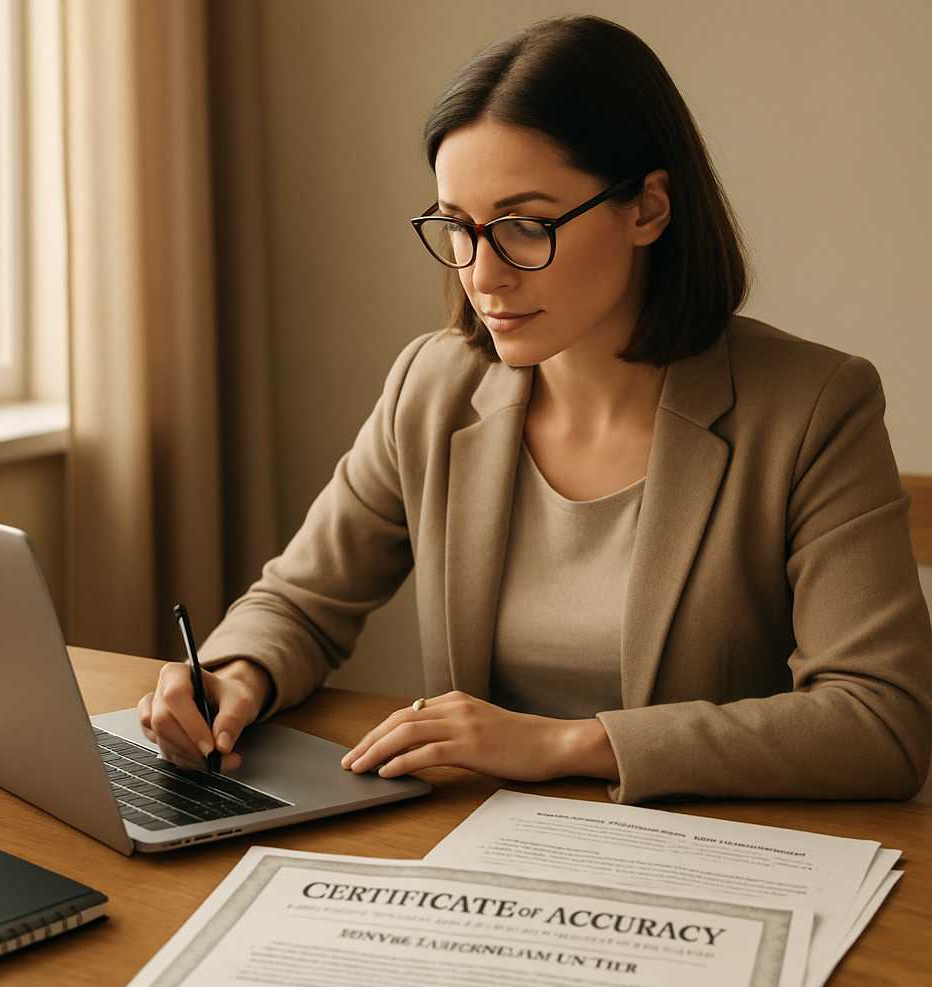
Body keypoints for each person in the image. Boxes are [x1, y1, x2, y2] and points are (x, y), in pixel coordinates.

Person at [138, 14, 932, 804]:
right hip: (482, 859)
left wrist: (566, 745)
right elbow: (303, 603)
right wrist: (235, 674)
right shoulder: (434, 385)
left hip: (710, 860)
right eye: (457, 226)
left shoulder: (813, 407)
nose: (482, 275)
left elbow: (879, 722)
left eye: (524, 225)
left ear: (648, 209)